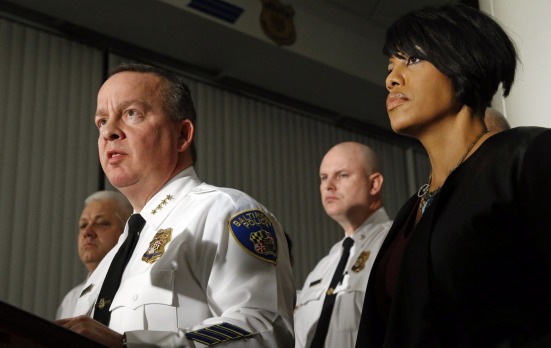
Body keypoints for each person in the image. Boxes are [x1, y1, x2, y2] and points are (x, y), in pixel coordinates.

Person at [357, 4, 551, 347]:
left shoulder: (532, 156)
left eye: (413, 60)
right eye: (391, 65)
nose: (392, 78)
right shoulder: (411, 209)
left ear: (463, 62)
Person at [57, 63, 295, 347]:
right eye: (102, 121)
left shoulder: (225, 213)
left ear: (182, 135)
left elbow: (265, 329)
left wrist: (129, 345)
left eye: (132, 113)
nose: (110, 132)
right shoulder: (110, 260)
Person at [295, 141, 392, 348]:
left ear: (374, 184)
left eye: (342, 175)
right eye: (323, 177)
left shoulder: (395, 243)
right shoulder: (323, 267)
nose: (328, 185)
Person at [56, 191, 132, 320]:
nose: (87, 232)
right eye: (83, 225)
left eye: (101, 223)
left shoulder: (138, 286)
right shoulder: (70, 300)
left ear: (127, 231)